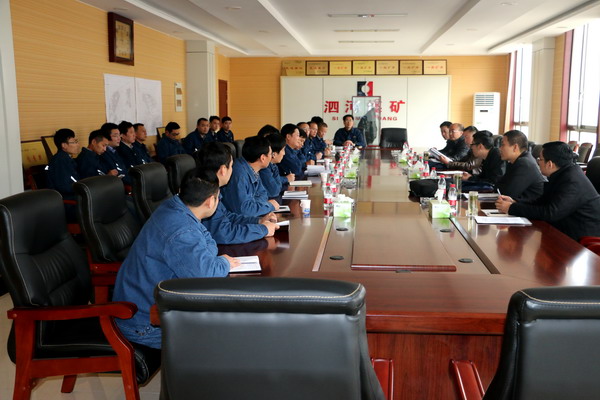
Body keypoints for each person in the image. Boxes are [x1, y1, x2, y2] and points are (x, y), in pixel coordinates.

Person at [112, 170, 239, 349]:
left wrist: (209, 259)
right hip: (146, 323)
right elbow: (205, 274)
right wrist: (224, 263)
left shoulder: (174, 207)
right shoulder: (181, 230)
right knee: (226, 338)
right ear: (211, 201)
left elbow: (209, 243)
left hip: (155, 306)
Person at [496, 141, 600, 241]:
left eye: (540, 159)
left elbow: (551, 213)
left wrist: (512, 208)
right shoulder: (563, 173)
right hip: (563, 232)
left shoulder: (572, 181)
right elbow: (542, 201)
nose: (538, 162)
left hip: (581, 240)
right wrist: (515, 202)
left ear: (549, 164)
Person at [196, 142, 279, 244]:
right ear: (223, 170)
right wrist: (263, 230)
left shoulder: (211, 188)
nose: (233, 170)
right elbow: (224, 233)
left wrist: (258, 221)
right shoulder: (206, 194)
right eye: (231, 166)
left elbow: (228, 217)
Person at [220, 135, 279, 217]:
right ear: (262, 158)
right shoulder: (239, 174)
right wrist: (269, 206)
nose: (272, 157)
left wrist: (254, 205)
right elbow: (244, 211)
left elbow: (263, 194)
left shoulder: (253, 169)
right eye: (270, 154)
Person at [496, 130, 544, 202]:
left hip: (530, 207)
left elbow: (507, 194)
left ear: (515, 147)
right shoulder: (514, 162)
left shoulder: (524, 164)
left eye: (503, 145)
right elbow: (498, 187)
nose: (500, 148)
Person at [46, 128, 80, 212]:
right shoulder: (60, 161)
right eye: (74, 142)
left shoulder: (65, 158)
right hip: (67, 203)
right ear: (64, 145)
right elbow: (65, 187)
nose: (77, 144)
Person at [260, 133, 294, 199]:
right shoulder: (264, 168)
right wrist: (285, 179)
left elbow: (277, 184)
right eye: (283, 150)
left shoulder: (273, 165)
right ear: (274, 154)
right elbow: (274, 191)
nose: (284, 153)